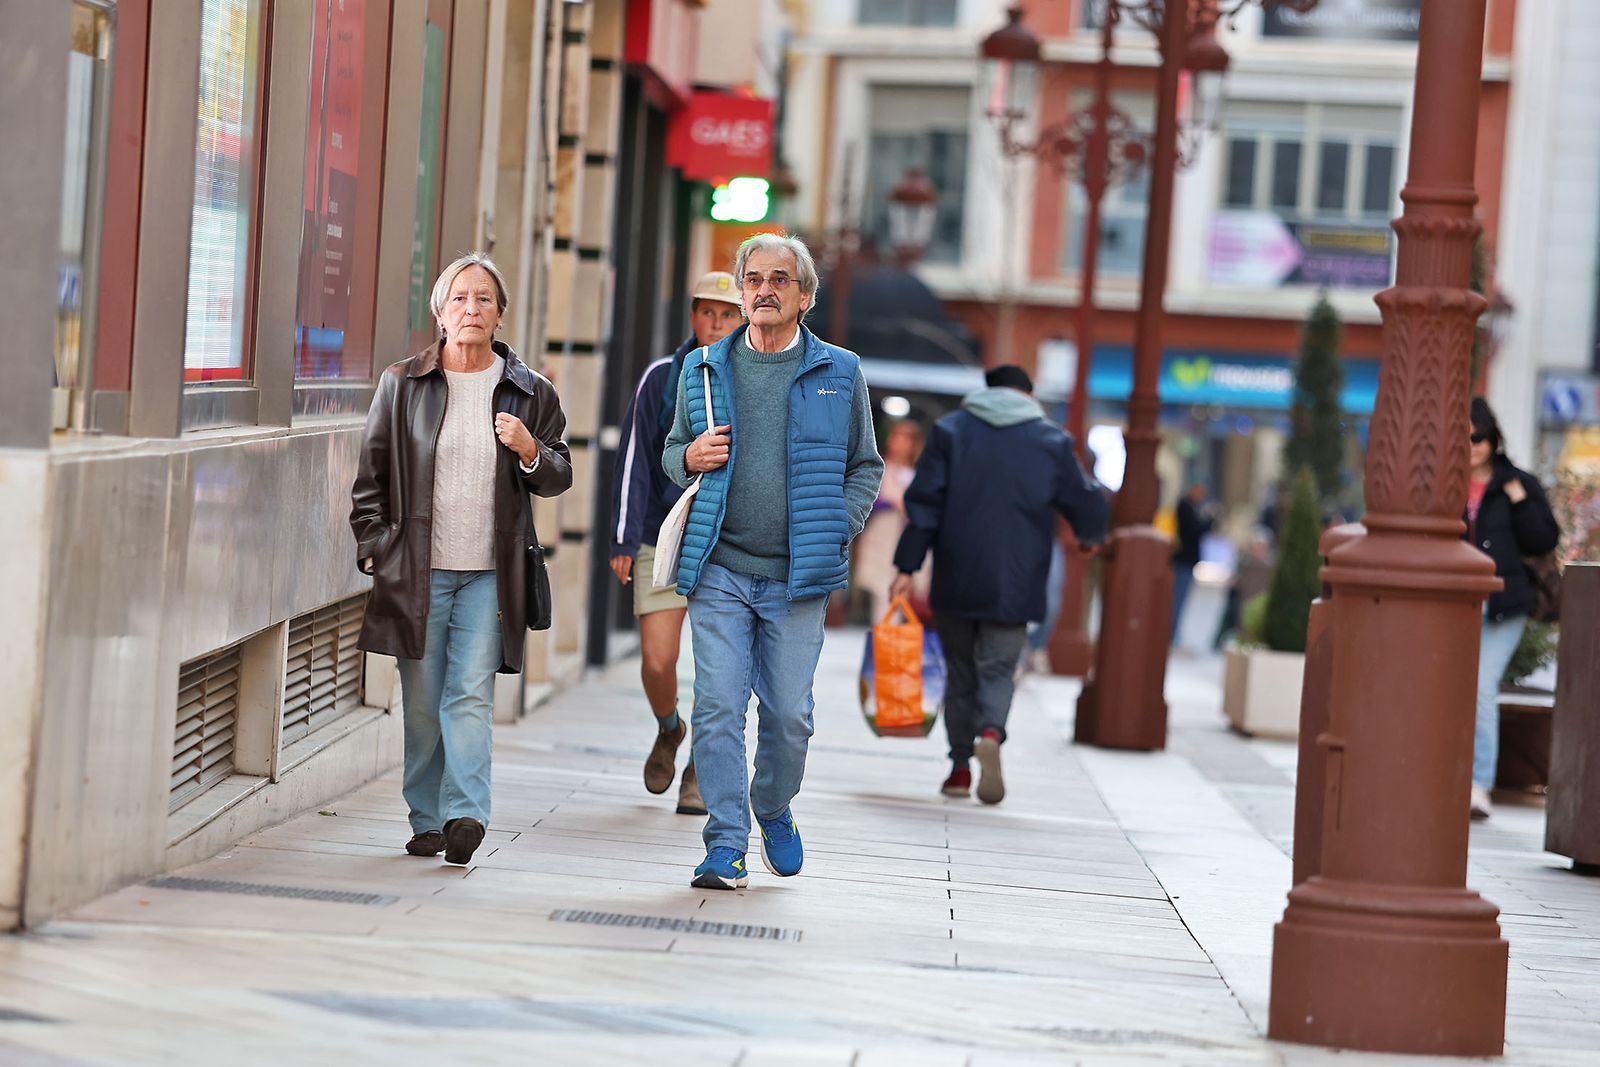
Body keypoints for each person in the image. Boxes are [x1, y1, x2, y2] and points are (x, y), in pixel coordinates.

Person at [663, 234, 884, 890]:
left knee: (789, 713)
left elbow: (864, 465)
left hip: (798, 576)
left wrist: (835, 526)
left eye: (778, 280)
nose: (762, 289)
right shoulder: (702, 368)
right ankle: (725, 842)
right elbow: (672, 451)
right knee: (717, 706)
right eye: (752, 278)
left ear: (804, 296)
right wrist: (688, 458)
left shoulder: (840, 372)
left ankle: (774, 805)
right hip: (721, 568)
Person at [351, 254, 572, 865]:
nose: (471, 309)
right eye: (459, 299)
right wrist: (375, 551)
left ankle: (465, 814)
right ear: (440, 313)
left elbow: (558, 477)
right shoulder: (404, 384)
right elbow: (371, 476)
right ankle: (426, 817)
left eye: (483, 299)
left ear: (500, 313)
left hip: (490, 575)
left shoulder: (531, 392)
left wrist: (530, 450)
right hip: (417, 571)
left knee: (469, 693)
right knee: (423, 703)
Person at [890, 365, 1109, 805]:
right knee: (997, 668)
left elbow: (925, 503)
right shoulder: (1050, 440)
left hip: (957, 573)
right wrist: (1089, 536)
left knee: (961, 674)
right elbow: (1085, 497)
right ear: (1028, 395)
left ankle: (957, 768)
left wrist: (907, 565)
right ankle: (990, 730)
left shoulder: (952, 431)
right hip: (1017, 580)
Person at [608, 271, 742, 816]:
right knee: (659, 662)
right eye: (707, 311)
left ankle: (698, 772)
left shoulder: (751, 381)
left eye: (727, 314)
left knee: (719, 673)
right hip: (660, 539)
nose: (716, 323)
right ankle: (669, 728)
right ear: (692, 315)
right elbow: (634, 457)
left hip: (727, 546)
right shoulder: (663, 376)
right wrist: (623, 536)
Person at [1464, 397, 1559, 820]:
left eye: (1478, 437)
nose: (1472, 445)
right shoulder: (1442, 480)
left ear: (1493, 438)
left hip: (1504, 604)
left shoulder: (1515, 481)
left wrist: (1520, 501)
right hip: (1455, 603)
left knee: (1482, 687)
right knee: (1449, 691)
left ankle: (1479, 785)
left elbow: (1544, 540)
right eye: (1464, 438)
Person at [852, 418, 926, 624]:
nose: (898, 443)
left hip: (912, 543)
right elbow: (865, 502)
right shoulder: (879, 468)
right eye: (896, 437)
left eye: (905, 439)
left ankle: (899, 651)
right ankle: (886, 650)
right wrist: (892, 503)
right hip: (883, 543)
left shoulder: (921, 474)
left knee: (912, 602)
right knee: (884, 599)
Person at [1172, 483, 1214, 644]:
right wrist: (1209, 519)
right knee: (1177, 598)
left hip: (1187, 561)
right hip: (1183, 560)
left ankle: (1174, 634)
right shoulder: (1185, 507)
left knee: (1181, 599)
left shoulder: (1190, 508)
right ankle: (1172, 635)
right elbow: (1197, 529)